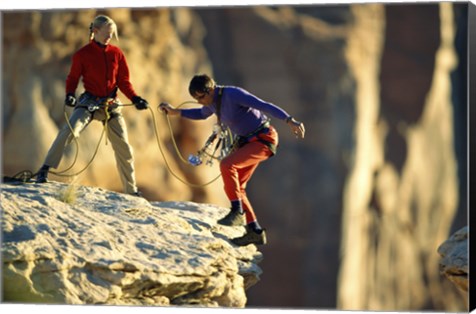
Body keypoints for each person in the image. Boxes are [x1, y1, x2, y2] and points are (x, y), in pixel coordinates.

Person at [160, 74, 305, 246]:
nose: (199, 101)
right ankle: (255, 231)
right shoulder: (211, 102)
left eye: (201, 97)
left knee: (227, 165)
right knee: (238, 188)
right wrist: (175, 112)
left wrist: (290, 120)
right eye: (196, 98)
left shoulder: (233, 94)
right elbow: (201, 114)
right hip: (247, 143)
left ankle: (237, 212)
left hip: (263, 139)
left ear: (211, 89)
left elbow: (264, 105)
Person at [36, 15, 149, 197]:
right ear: (95, 32)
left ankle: (131, 190)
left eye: (112, 34)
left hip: (111, 106)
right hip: (89, 103)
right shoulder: (82, 54)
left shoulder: (117, 54)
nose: (109, 37)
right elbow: (73, 78)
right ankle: (44, 170)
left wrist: (136, 99)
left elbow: (123, 81)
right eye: (107, 33)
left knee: (124, 148)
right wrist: (70, 95)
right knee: (70, 130)